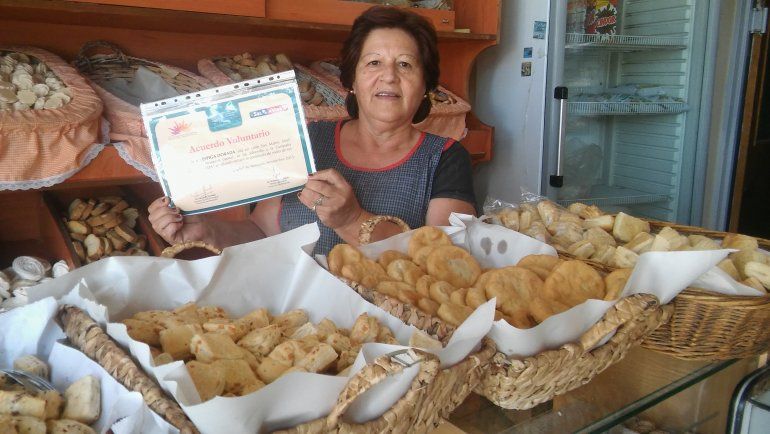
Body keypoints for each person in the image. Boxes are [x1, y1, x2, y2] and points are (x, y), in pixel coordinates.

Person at [148, 6, 476, 255]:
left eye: (405, 64)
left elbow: (443, 261)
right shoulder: (309, 140)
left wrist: (352, 220)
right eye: (373, 62)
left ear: (425, 85)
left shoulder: (444, 159)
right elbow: (261, 230)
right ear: (351, 81)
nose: (388, 76)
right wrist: (205, 232)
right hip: (302, 327)